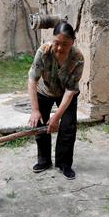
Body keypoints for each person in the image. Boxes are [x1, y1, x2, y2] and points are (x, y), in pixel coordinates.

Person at [27, 23, 84, 180]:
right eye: (57, 43)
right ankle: (44, 161)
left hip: (66, 94)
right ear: (53, 40)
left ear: (73, 41)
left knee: (67, 127)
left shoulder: (77, 58)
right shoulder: (44, 52)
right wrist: (35, 110)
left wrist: (56, 117)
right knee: (40, 124)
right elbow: (32, 80)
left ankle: (64, 164)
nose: (59, 48)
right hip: (44, 92)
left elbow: (70, 91)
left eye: (65, 44)